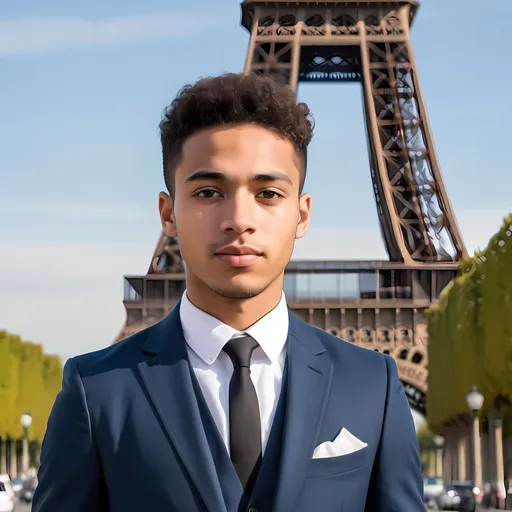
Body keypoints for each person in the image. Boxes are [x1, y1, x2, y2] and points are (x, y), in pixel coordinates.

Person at [32, 72, 424, 512]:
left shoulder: (373, 385)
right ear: (168, 213)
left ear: (302, 214)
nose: (239, 218)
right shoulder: (96, 392)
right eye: (208, 191)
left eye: (268, 193)